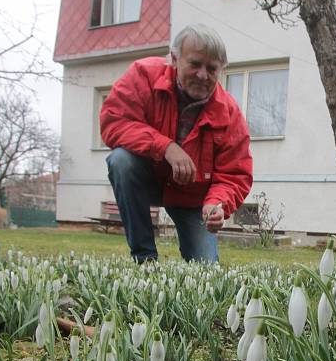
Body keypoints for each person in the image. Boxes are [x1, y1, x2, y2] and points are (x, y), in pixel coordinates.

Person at [100, 24, 252, 263]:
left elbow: (235, 174)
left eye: (212, 68)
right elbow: (114, 122)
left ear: (221, 70)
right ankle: (145, 258)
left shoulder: (230, 113)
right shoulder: (143, 76)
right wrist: (165, 147)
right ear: (174, 59)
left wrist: (216, 204)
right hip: (148, 179)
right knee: (121, 161)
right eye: (195, 64)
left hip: (195, 199)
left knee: (205, 272)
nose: (203, 75)